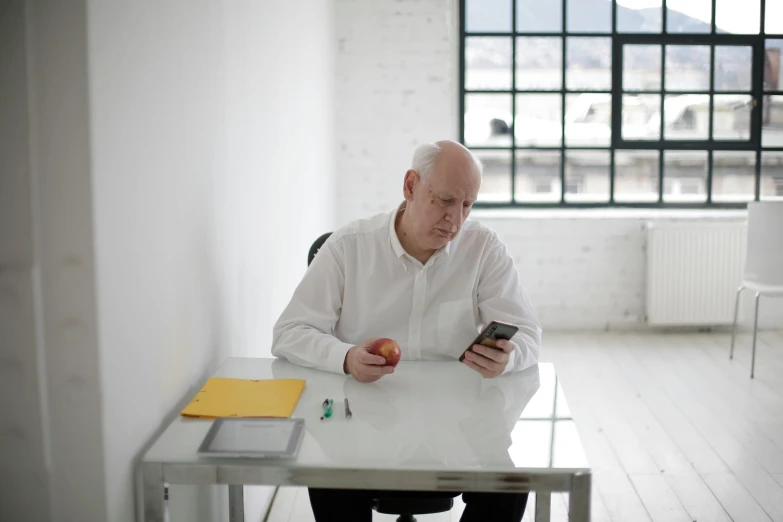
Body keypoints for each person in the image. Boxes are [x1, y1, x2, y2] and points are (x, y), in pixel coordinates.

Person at [272, 140, 542, 522]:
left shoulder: (483, 248)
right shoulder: (349, 247)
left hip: (456, 425)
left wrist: (508, 356)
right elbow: (289, 332)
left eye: (467, 205)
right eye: (445, 200)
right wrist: (346, 358)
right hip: (362, 427)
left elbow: (529, 334)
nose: (456, 219)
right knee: (327, 476)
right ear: (411, 186)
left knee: (509, 487)